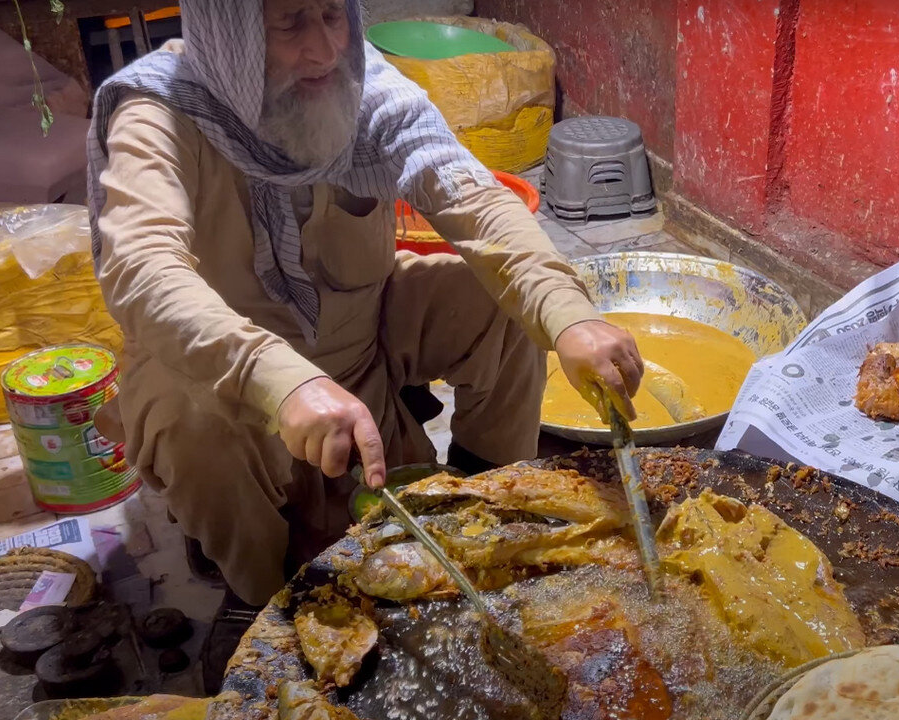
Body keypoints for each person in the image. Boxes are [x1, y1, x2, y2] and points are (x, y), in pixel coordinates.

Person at [87, 0, 644, 612]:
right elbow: (142, 268)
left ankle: (481, 513)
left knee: (509, 303)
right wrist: (280, 380)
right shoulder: (156, 111)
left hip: (362, 342)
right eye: (289, 22)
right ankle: (260, 605)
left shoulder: (357, 84)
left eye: (331, 16)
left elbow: (468, 194)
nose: (323, 49)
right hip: (226, 385)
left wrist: (570, 313)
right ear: (232, 36)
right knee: (187, 422)